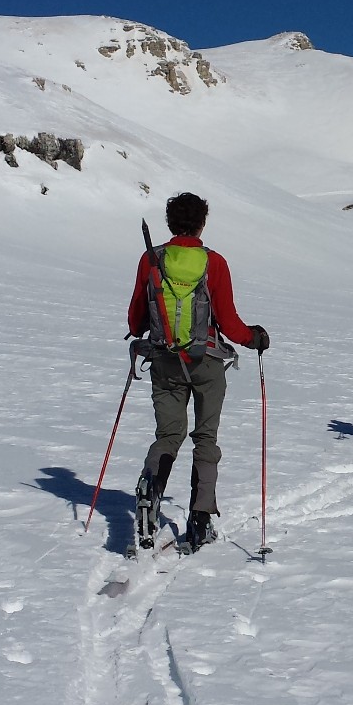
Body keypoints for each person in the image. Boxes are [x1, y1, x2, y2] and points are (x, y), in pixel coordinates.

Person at [127, 192, 269, 550]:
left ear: (170, 222)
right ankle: (200, 519)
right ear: (202, 223)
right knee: (205, 439)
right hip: (205, 363)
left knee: (168, 436)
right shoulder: (214, 263)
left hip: (163, 360)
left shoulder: (152, 259)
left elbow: (135, 318)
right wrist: (254, 339)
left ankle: (151, 490)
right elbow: (229, 322)